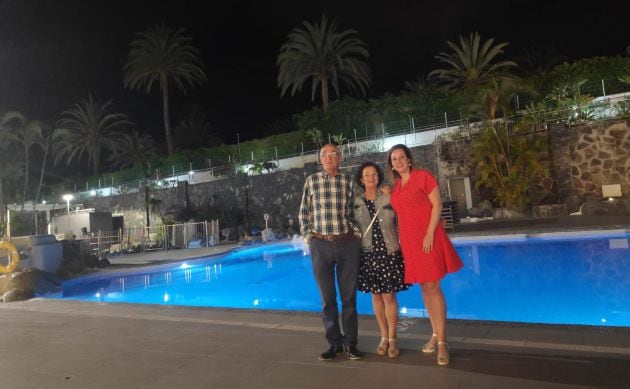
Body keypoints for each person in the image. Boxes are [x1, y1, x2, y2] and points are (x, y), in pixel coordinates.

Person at [386, 144, 463, 366]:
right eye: (394, 159)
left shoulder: (423, 176)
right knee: (425, 288)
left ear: (409, 159)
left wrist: (430, 234)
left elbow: (437, 205)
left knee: (433, 287)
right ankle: (435, 334)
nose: (398, 161)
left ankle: (442, 343)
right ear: (391, 164)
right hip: (410, 244)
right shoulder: (397, 187)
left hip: (428, 239)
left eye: (402, 157)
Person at [299, 143, 363, 361]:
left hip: (347, 244)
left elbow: (359, 210)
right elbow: (304, 212)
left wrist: (356, 234)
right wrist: (309, 237)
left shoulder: (348, 182)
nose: (329, 157)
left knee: (349, 299)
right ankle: (334, 343)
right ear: (320, 159)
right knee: (327, 299)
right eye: (324, 155)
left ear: (340, 157)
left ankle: (351, 344)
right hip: (321, 244)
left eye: (333, 154)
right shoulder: (312, 181)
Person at [354, 161, 409, 358]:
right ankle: (383, 337)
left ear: (378, 177)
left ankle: (393, 338)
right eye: (367, 174)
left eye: (374, 174)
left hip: (389, 252)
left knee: (389, 296)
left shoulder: (388, 196)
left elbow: (403, 215)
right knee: (376, 296)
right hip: (368, 254)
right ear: (361, 179)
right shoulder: (356, 203)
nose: (371, 177)